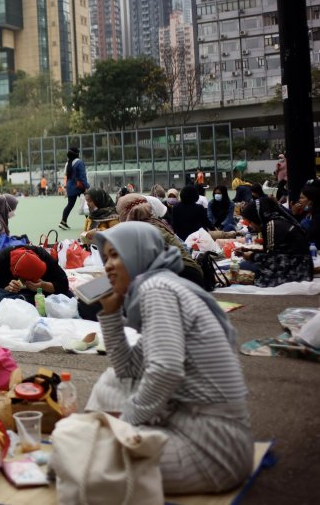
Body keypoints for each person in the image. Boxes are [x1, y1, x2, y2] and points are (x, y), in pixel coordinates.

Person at [86, 222, 253, 494]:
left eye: (116, 255)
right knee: (111, 383)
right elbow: (126, 369)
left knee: (85, 459)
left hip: (213, 448)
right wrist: (111, 314)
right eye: (105, 258)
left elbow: (165, 370)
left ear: (138, 254)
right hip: (198, 427)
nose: (107, 266)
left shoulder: (157, 289)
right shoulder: (161, 287)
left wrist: (124, 425)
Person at [116, 194, 203, 286]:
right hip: (193, 273)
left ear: (126, 213)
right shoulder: (156, 223)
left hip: (179, 277)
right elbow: (183, 247)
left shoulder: (140, 232)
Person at [238, 197, 313, 287]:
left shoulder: (272, 225)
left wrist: (251, 256)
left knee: (242, 266)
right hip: (301, 267)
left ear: (257, 216)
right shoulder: (278, 221)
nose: (251, 226)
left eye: (250, 221)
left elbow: (271, 258)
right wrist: (248, 251)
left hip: (294, 270)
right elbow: (275, 252)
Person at [0, 244, 71, 312]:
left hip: (41, 289)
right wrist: (9, 288)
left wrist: (42, 285)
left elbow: (64, 284)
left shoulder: (43, 256)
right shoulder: (1, 262)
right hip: (16, 293)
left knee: (68, 297)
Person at [59, 147, 89, 230]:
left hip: (70, 186)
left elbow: (66, 174)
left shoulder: (67, 163)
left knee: (70, 205)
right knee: (86, 203)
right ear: (77, 154)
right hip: (79, 186)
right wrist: (87, 186)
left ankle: (63, 221)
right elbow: (83, 176)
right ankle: (89, 222)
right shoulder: (79, 162)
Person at [291, 178, 319, 245]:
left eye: (302, 198)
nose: (299, 200)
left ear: (311, 201)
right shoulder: (306, 213)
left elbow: (309, 235)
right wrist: (294, 214)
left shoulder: (317, 216)